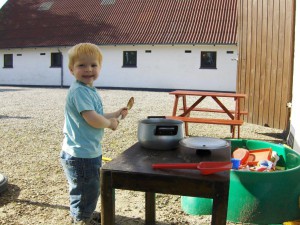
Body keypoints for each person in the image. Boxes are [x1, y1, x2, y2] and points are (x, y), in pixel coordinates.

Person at [60, 43, 128, 225]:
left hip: (87, 151)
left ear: (100, 67)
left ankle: (83, 213)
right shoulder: (80, 91)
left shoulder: (88, 89)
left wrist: (114, 114)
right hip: (81, 154)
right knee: (85, 189)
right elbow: (91, 118)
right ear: (71, 69)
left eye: (93, 65)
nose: (88, 69)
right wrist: (110, 124)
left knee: (88, 188)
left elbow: (96, 114)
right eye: (81, 65)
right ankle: (82, 219)